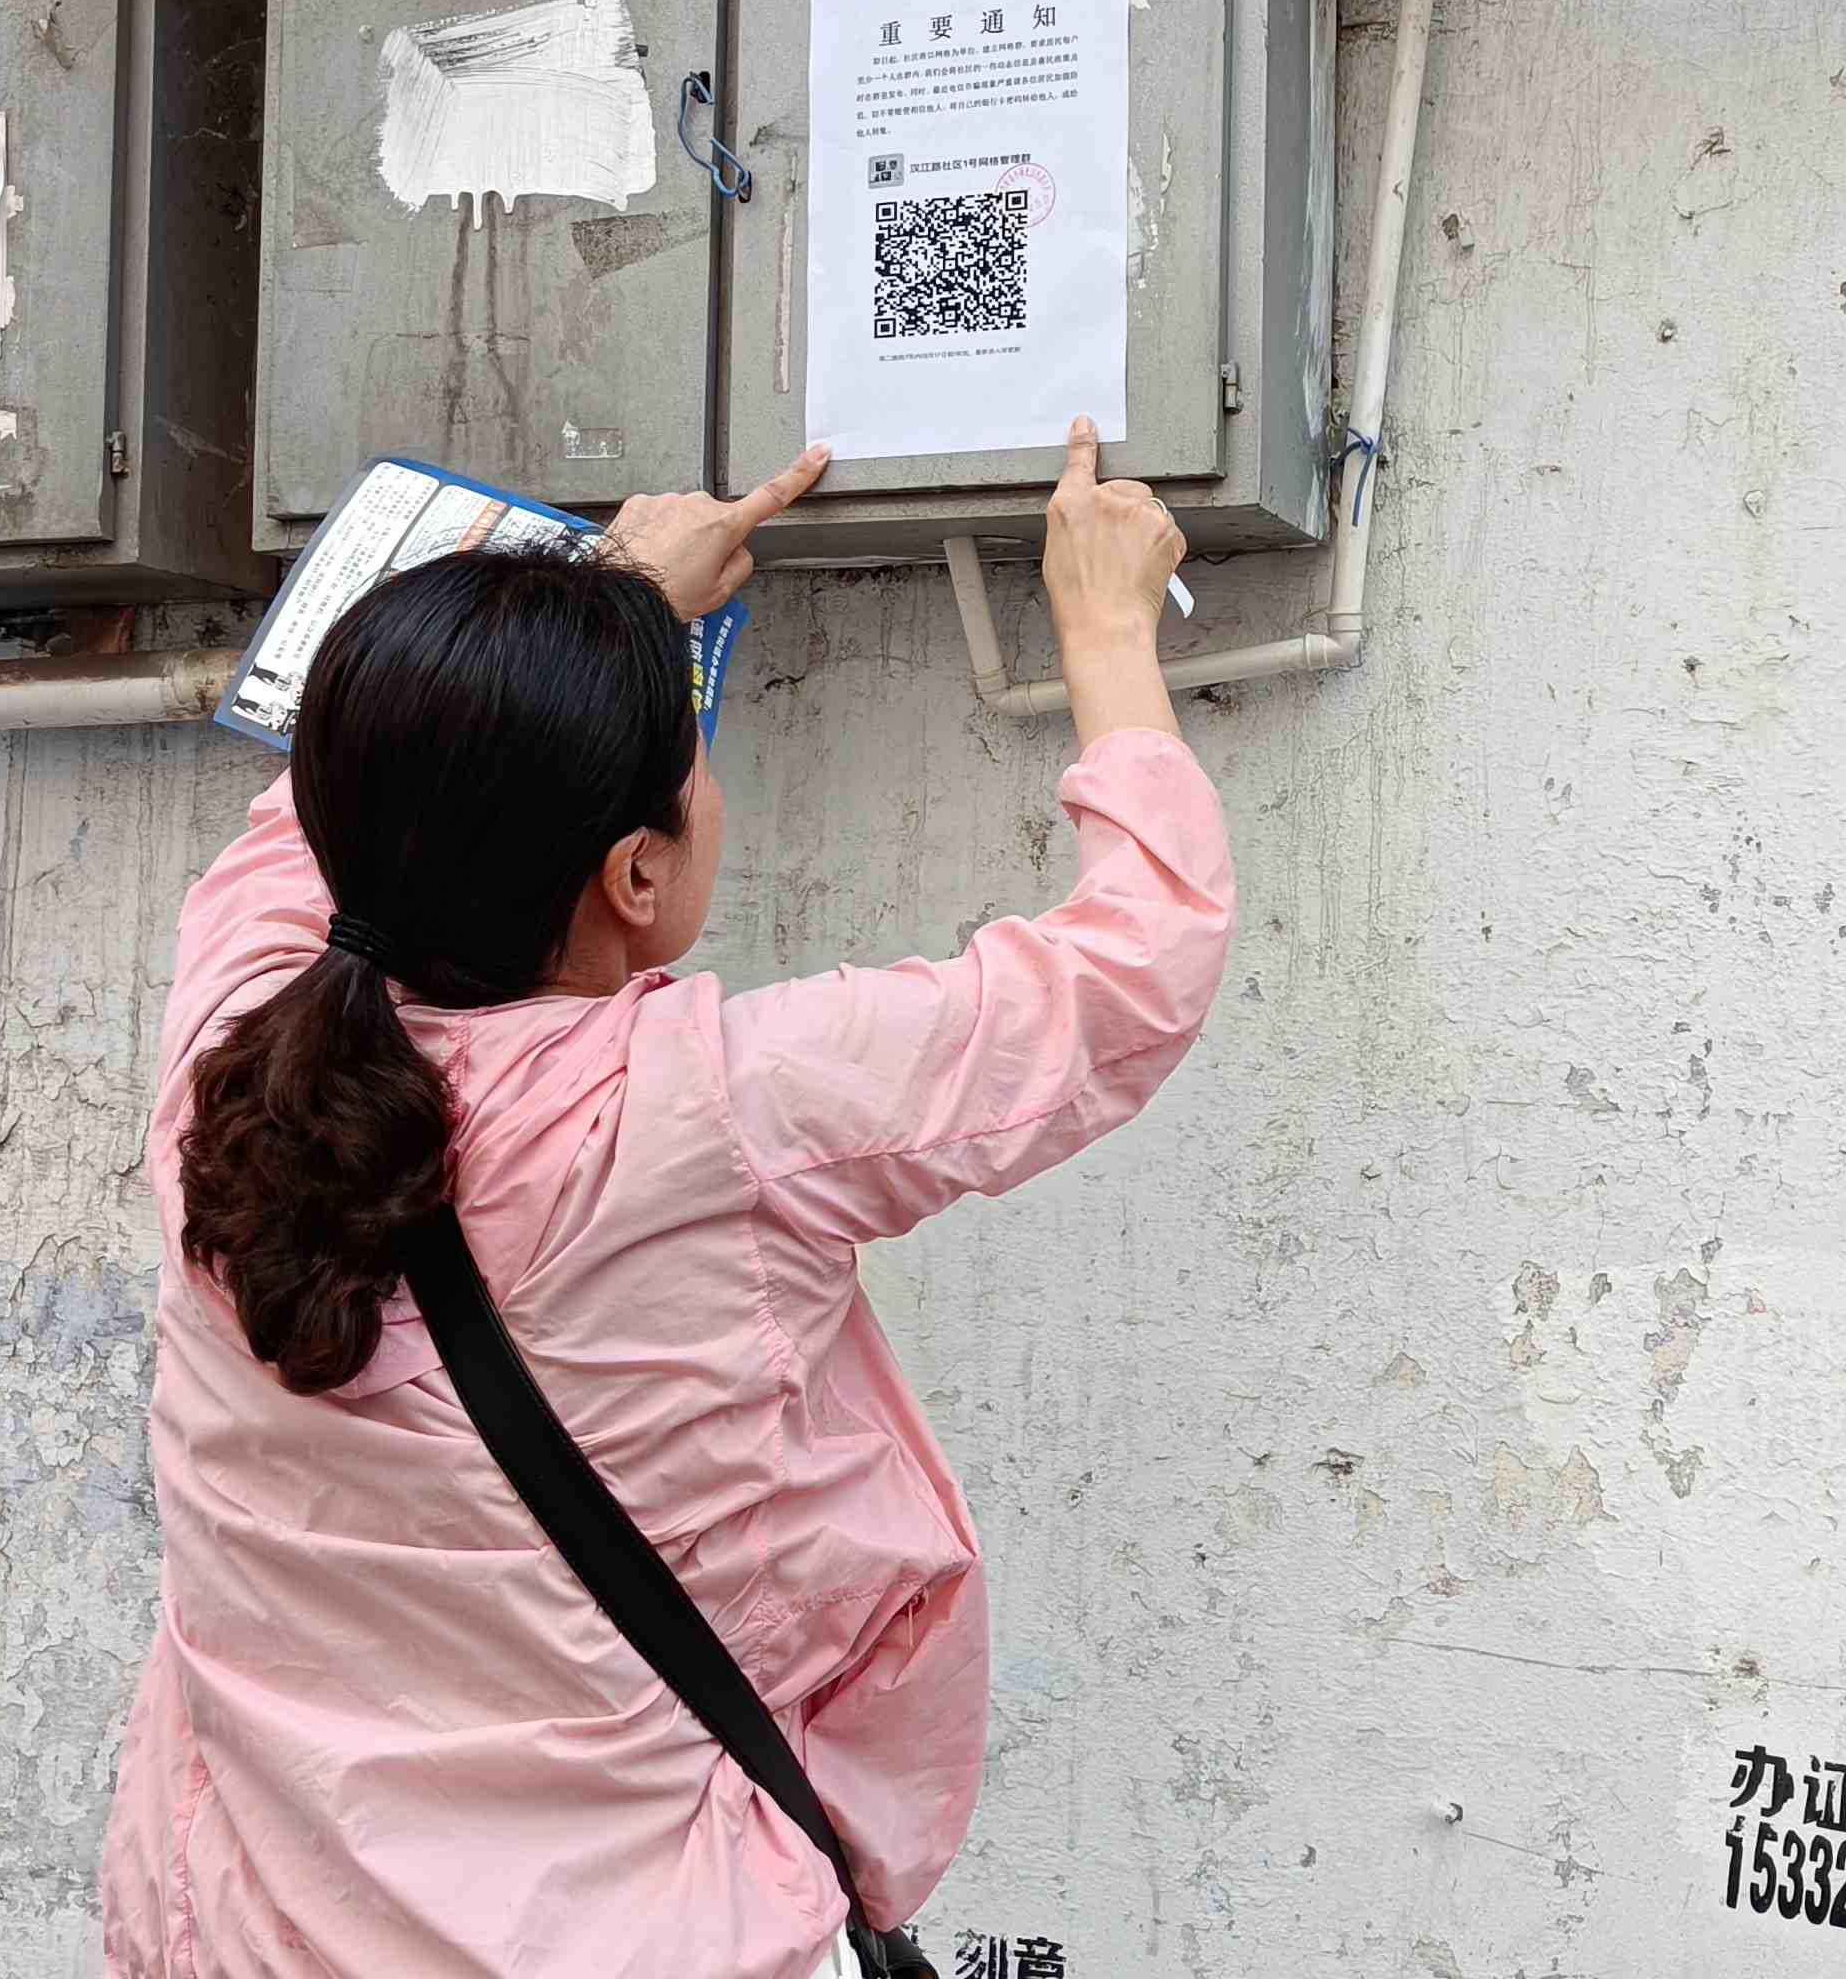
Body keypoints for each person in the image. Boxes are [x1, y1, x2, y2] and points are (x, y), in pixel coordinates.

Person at [99, 420, 1232, 1979]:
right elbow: (1123, 981)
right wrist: (1105, 633)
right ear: (638, 876)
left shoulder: (226, 1056)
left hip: (244, 1934)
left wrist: (605, 593)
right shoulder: (711, 1115)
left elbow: (337, 814)